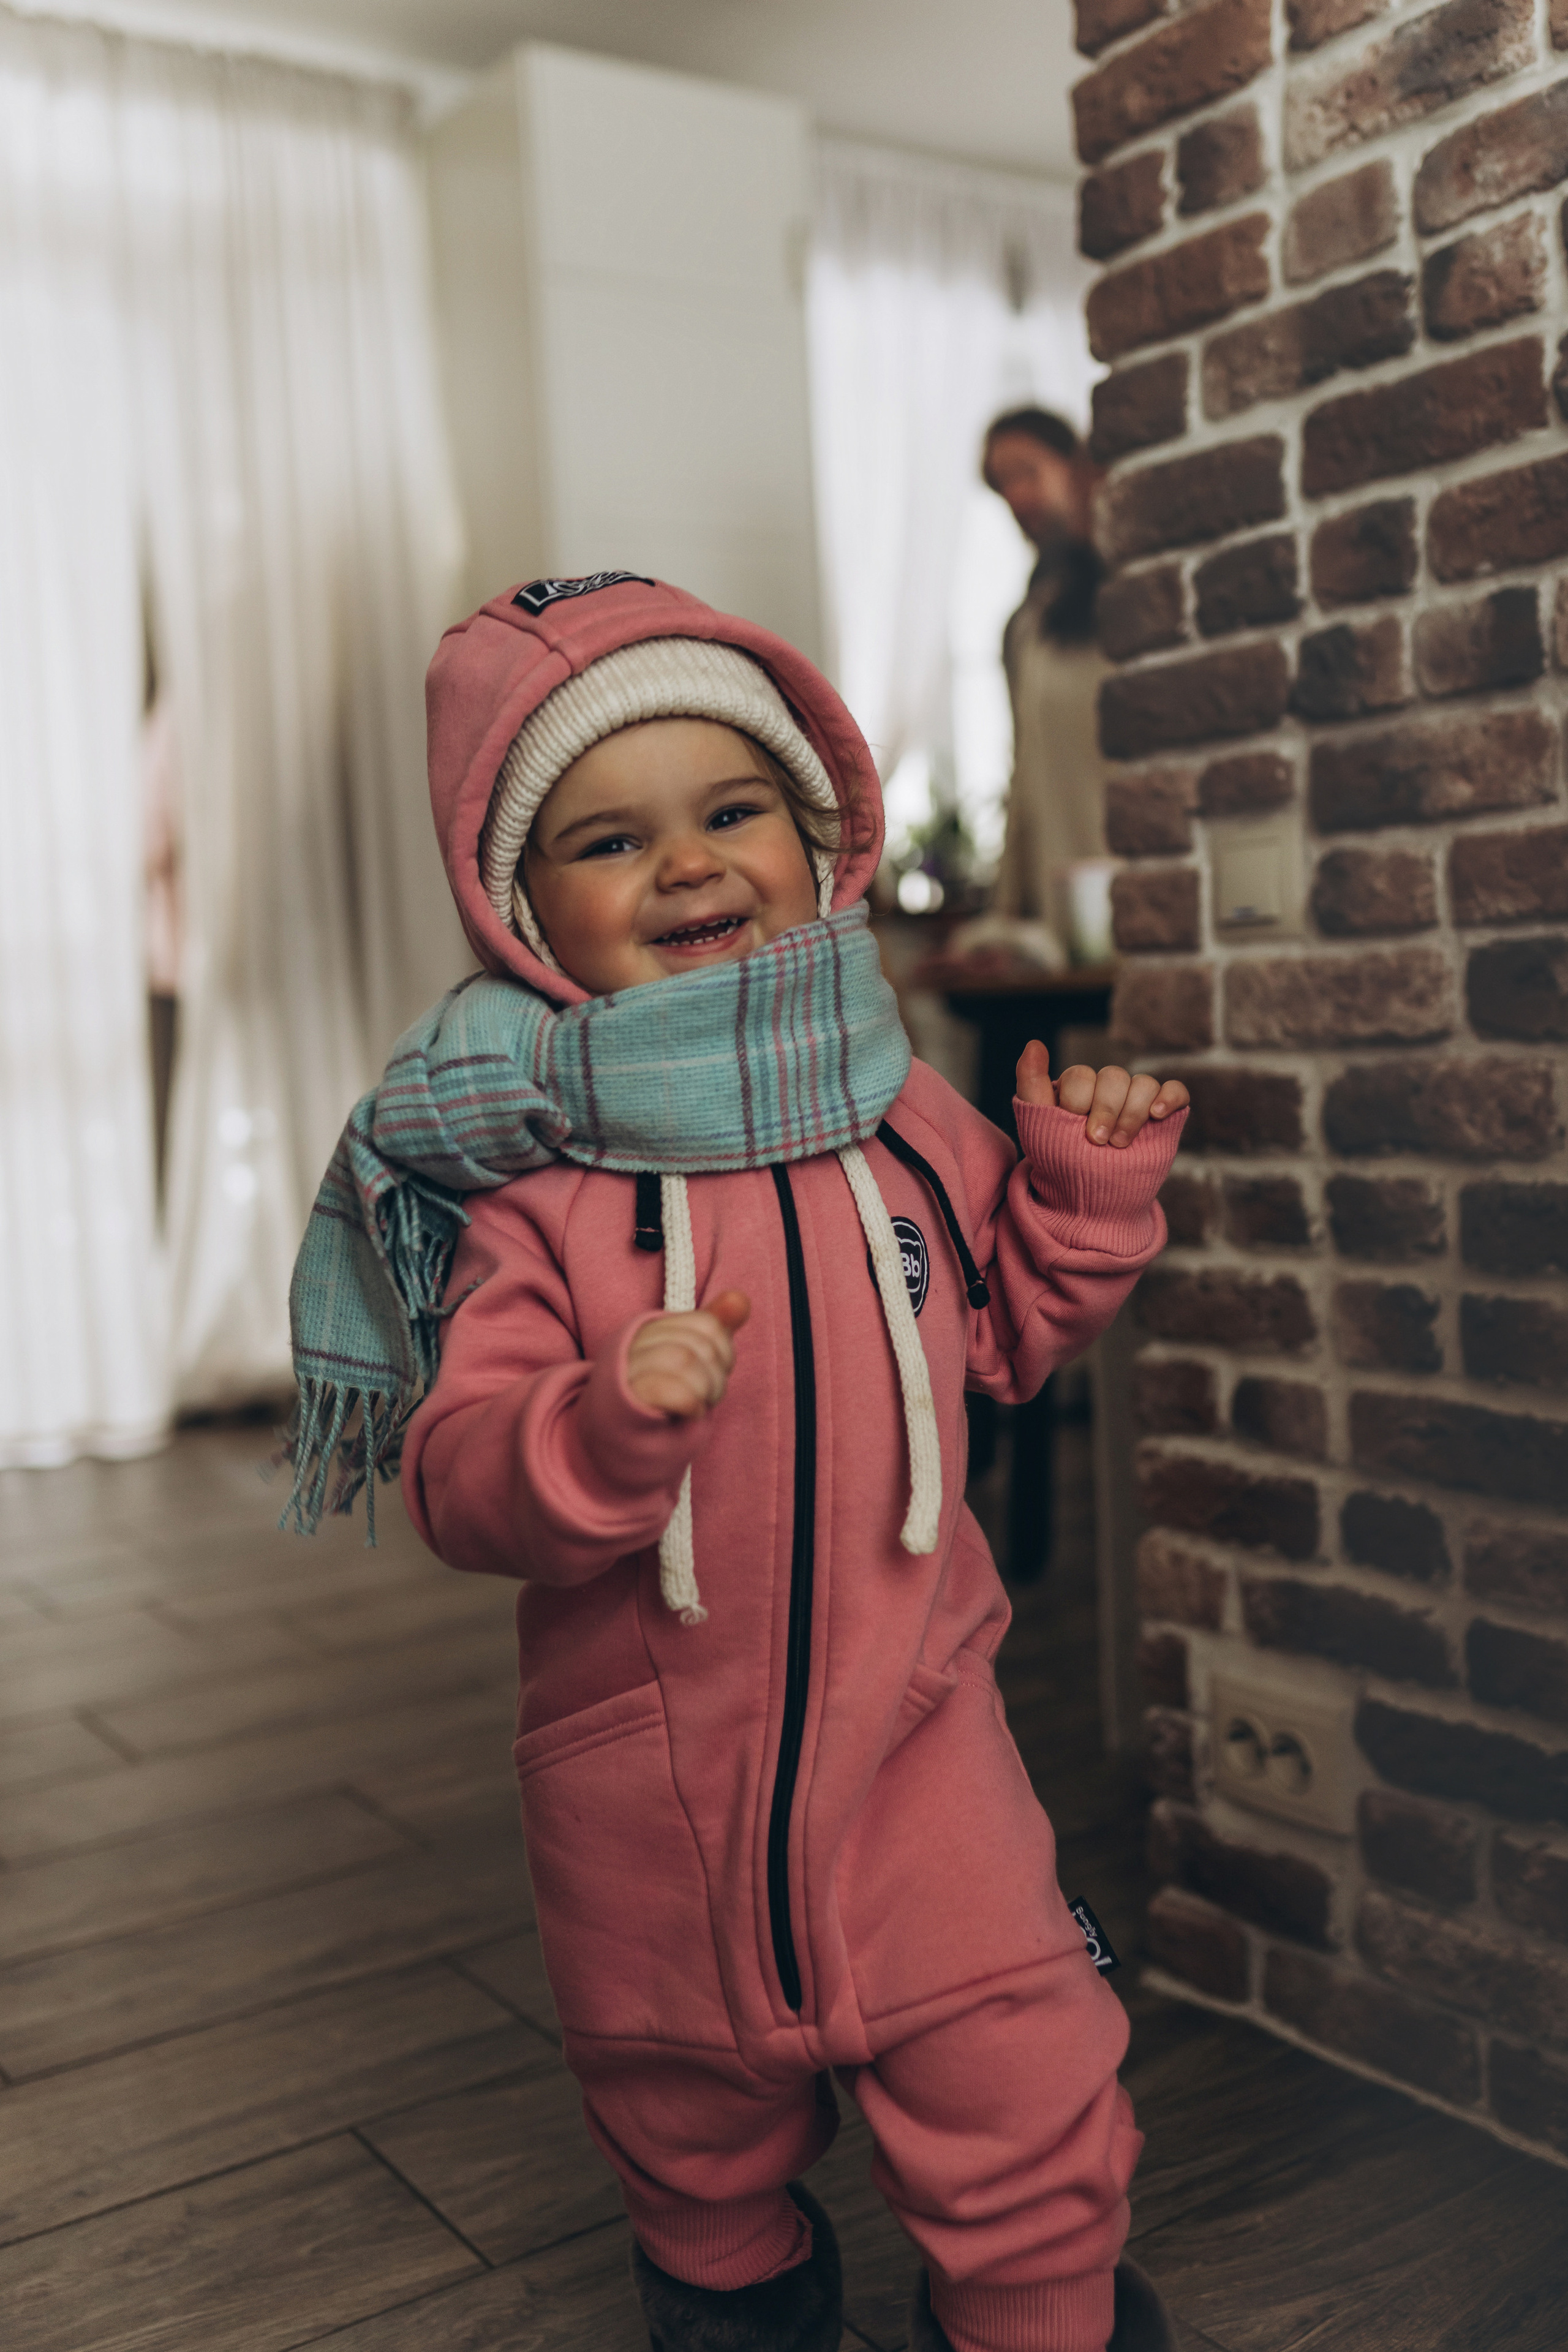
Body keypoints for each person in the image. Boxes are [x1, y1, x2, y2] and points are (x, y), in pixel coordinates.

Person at [284, 573, 1188, 2352]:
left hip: (925, 1729)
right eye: (609, 839)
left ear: (815, 834)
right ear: (518, 904)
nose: (688, 863)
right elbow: (460, 1479)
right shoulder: (530, 1185)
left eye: (733, 809)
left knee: (1027, 2085)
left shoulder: (903, 1109)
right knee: (691, 2145)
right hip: (651, 1782)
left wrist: (1084, 1197)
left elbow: (1000, 1333)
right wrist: (597, 1423)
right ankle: (733, 2301)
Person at [982, 409, 1109, 952]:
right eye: (1001, 483)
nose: (1016, 496)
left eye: (1027, 471)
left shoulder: (1131, 593)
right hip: (1057, 903)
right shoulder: (1026, 625)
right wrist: (1007, 908)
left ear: (1078, 469)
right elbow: (1024, 769)